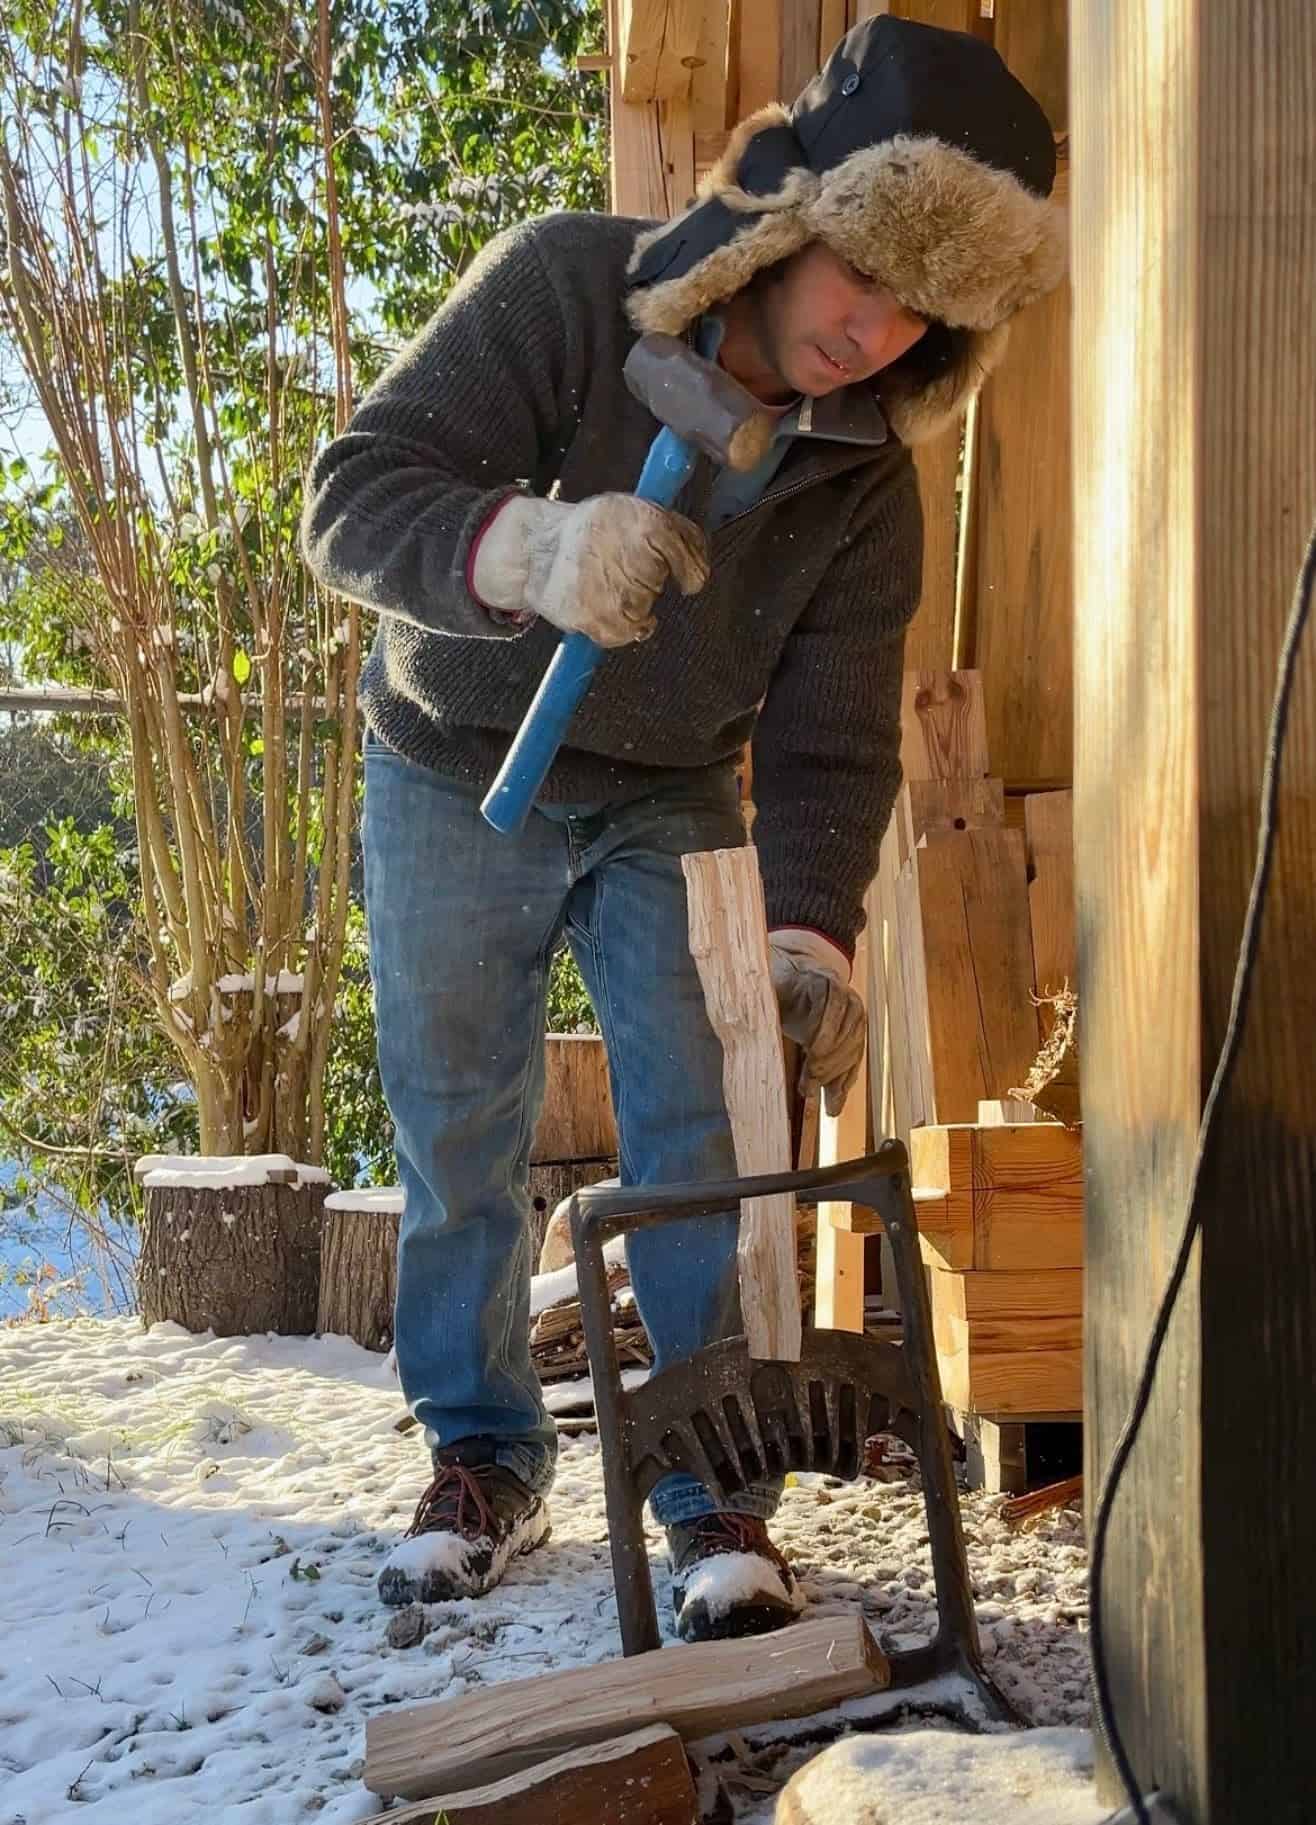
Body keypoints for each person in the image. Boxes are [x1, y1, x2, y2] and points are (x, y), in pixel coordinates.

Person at [300, 15, 1064, 1642]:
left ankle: (710, 1472)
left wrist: (808, 934)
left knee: (705, 1132)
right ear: (788, 216)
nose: (878, 324)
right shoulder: (568, 286)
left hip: (667, 792)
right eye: (864, 264)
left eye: (925, 302)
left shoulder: (863, 476)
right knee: (458, 1131)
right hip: (454, 755)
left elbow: (830, 732)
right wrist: (525, 550)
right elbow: (350, 495)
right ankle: (485, 1456)